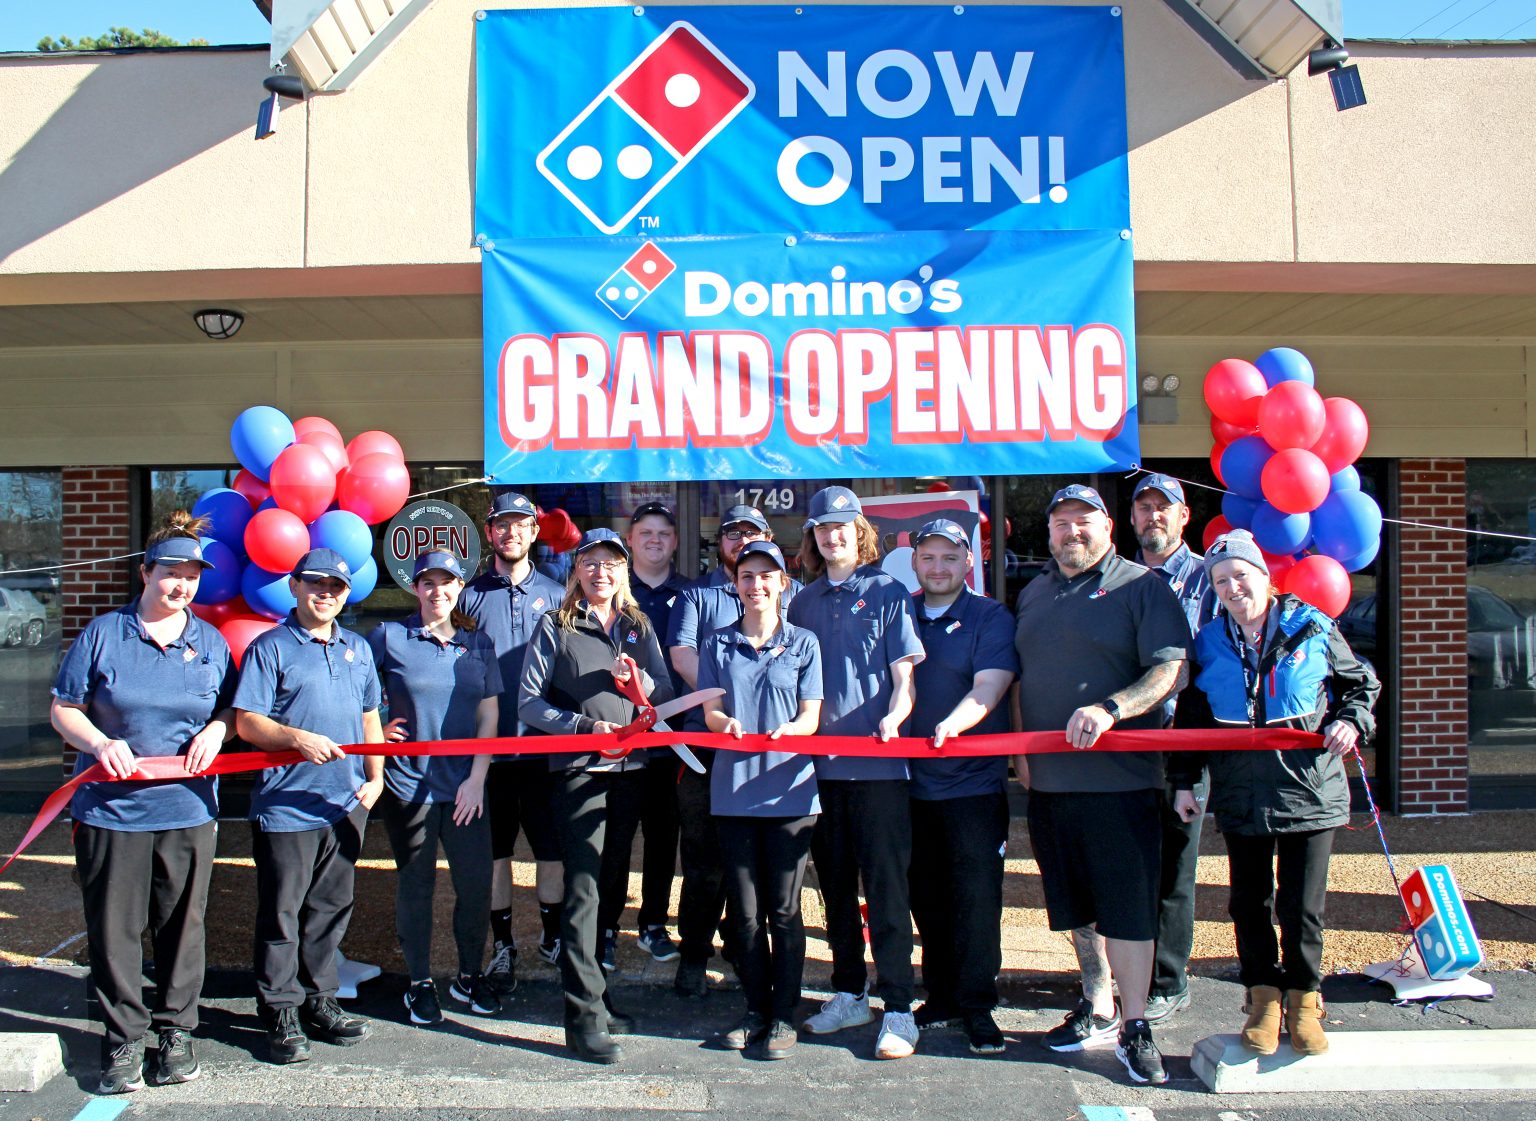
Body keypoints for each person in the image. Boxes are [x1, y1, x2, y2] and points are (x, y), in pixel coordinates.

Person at [1171, 530, 1379, 1057]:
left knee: (1301, 906)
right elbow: (1193, 719)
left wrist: (1350, 720)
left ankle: (1305, 1000)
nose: (1232, 587)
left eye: (1241, 575)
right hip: (1242, 794)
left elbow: (1360, 685)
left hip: (1309, 792)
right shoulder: (1209, 641)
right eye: (1221, 581)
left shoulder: (1313, 626)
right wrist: (1184, 783)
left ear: (1264, 577)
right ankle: (1262, 999)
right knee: (1248, 903)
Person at [50, 514, 236, 1094]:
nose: (181, 585)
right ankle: (123, 1039)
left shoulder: (210, 642)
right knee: (115, 930)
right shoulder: (105, 633)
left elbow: (233, 709)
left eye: (192, 576)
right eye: (171, 573)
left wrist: (219, 730)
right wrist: (99, 743)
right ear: (146, 573)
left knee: (183, 927)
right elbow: (64, 708)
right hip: (112, 813)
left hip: (188, 811)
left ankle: (176, 1033)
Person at [1012, 484, 1189, 1086]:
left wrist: (1112, 708)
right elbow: (1022, 678)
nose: (1072, 532)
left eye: (1083, 521)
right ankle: (1098, 1004)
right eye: (1061, 523)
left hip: (1120, 783)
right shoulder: (1034, 592)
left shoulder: (1142, 586)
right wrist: (1021, 753)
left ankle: (1137, 1026)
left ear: (1109, 527)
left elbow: (1169, 670)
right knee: (1078, 909)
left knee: (1127, 909)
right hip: (1051, 785)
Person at [1064, 473, 1220, 1028]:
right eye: (1144, 507)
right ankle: (1116, 982)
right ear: (1128, 519)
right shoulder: (1119, 579)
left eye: (1164, 507)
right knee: (1127, 867)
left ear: (1184, 516)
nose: (1153, 516)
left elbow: (1207, 661)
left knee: (1173, 867)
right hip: (1122, 745)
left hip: (1180, 744)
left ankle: (1167, 983)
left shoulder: (1209, 578)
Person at [519, 528, 675, 1064]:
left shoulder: (637, 625)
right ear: (577, 571)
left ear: (622, 571)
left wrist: (640, 683)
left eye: (610, 563)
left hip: (632, 771)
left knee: (610, 887)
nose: (600, 572)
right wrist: (585, 728)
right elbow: (529, 704)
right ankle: (581, 1019)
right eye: (590, 562)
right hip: (580, 771)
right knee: (583, 890)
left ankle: (599, 997)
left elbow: (665, 692)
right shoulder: (555, 624)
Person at [786, 486, 925, 1061]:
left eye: (841, 526)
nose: (832, 536)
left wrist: (896, 715)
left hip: (879, 769)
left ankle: (898, 1008)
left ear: (859, 531)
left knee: (887, 891)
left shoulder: (889, 592)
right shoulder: (801, 602)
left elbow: (904, 677)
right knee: (835, 889)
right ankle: (849, 993)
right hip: (819, 772)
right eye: (822, 528)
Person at [234, 547, 386, 1065]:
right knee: (282, 913)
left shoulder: (357, 648)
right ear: (295, 586)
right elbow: (247, 722)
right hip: (287, 806)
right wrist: (295, 737)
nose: (326, 593)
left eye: (336, 587)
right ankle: (280, 1009)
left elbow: (370, 717)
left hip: (344, 803)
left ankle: (320, 999)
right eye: (316, 584)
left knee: (329, 910)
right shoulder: (270, 647)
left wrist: (376, 778)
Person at [665, 504, 799, 996]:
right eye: (732, 533)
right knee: (703, 862)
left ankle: (744, 951)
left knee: (756, 864)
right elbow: (681, 654)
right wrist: (725, 698)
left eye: (752, 532)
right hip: (707, 748)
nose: (741, 540)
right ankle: (693, 954)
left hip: (771, 750)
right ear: (718, 542)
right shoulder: (695, 595)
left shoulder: (789, 592)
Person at [698, 540, 823, 1060]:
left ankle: (784, 1014)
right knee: (746, 915)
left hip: (791, 793)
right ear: (736, 585)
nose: (757, 585)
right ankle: (755, 1008)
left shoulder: (805, 643)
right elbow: (710, 711)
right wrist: (723, 723)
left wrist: (792, 731)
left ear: (783, 584)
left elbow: (811, 716)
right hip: (734, 794)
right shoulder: (717, 643)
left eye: (767, 575)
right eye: (747, 576)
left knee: (785, 910)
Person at [369, 551, 502, 1026]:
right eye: (428, 582)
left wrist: (477, 779)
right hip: (409, 785)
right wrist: (377, 727)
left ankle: (469, 974)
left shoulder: (478, 643)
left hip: (466, 787)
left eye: (447, 582)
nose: (437, 591)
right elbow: (357, 692)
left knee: (475, 885)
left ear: (459, 587)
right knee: (417, 885)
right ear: (415, 588)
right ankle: (419, 981)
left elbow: (489, 714)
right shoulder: (390, 637)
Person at [904, 519, 1018, 1056]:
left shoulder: (989, 616)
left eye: (950, 557)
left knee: (975, 899)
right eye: (928, 557)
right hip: (908, 785)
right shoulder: (900, 612)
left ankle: (977, 1004)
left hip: (972, 786)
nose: (938, 567)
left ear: (969, 562)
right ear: (914, 562)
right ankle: (942, 995)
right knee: (924, 896)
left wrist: (955, 723)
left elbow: (990, 685)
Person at [459, 490, 566, 992]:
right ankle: (503, 946)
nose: (512, 532)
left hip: (546, 751)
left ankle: (552, 936)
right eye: (503, 524)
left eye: (521, 524)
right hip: (490, 754)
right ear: (490, 532)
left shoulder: (559, 593)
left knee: (552, 853)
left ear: (534, 531)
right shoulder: (468, 596)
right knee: (496, 855)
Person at [599, 501, 690, 971]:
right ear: (630, 540)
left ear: (675, 542)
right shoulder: (610, 591)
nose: (655, 540)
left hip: (670, 737)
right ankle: (606, 927)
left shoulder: (691, 594)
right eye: (645, 532)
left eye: (664, 533)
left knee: (662, 836)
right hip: (617, 737)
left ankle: (654, 921)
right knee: (615, 837)